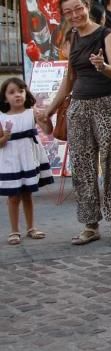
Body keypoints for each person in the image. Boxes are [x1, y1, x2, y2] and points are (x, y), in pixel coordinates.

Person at [39, 0, 111, 246]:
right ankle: (90, 224)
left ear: (87, 7)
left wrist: (102, 66)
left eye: (78, 8)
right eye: (68, 12)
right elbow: (68, 81)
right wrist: (48, 109)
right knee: (82, 167)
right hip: (79, 107)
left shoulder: (106, 35)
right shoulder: (73, 37)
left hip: (109, 104)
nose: (75, 15)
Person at [1, 78, 51, 245]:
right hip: (11, 160)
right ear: (4, 97)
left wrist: (46, 121)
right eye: (12, 92)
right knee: (13, 197)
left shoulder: (32, 112)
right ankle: (14, 231)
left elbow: (47, 130)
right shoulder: (1, 117)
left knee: (27, 195)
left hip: (29, 158)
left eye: (21, 91)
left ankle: (31, 228)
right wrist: (5, 138)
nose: (17, 95)